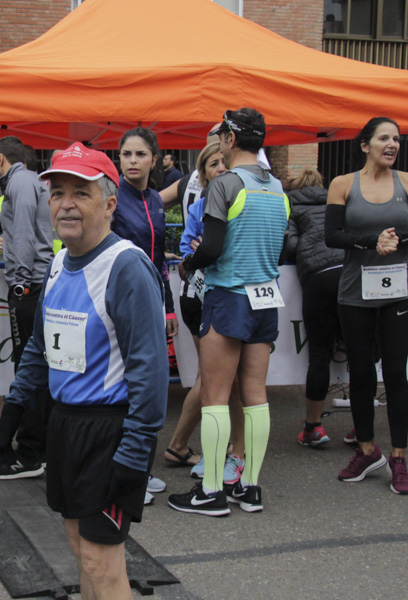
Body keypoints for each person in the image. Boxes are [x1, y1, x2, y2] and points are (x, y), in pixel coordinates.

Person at [0, 142, 167, 598]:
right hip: (64, 424)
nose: (65, 203)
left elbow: (149, 376)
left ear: (109, 204)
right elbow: (39, 346)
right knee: (79, 546)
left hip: (110, 431)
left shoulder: (125, 267)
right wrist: (14, 407)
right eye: (57, 192)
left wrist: (133, 453)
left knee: (100, 558)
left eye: (81, 192)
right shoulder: (58, 262)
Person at [168, 108, 288, 516]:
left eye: (221, 135)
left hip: (229, 294)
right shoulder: (277, 188)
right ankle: (250, 487)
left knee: (216, 396)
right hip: (266, 297)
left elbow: (213, 247)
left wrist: (188, 264)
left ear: (230, 140)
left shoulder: (224, 185)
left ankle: (212, 490)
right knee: (255, 396)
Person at [324, 117, 408, 495]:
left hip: (397, 292)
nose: (392, 144)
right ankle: (367, 450)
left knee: (397, 374)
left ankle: (399, 458)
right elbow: (332, 235)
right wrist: (373, 241)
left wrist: (396, 238)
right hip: (355, 292)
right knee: (360, 373)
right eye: (384, 138)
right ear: (365, 145)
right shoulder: (342, 184)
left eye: (397, 139)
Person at [162, 142, 245, 483]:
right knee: (214, 378)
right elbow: (188, 251)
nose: (222, 168)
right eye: (214, 164)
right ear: (203, 174)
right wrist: (196, 254)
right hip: (198, 298)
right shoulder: (198, 210)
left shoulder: (244, 203)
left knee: (222, 379)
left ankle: (210, 450)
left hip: (229, 296)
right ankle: (211, 451)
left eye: (226, 163)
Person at [0, 135, 53, 480]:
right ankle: (35, 449)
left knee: (29, 370)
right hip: (35, 284)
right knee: (33, 368)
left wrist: (21, 283)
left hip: (31, 286)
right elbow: (5, 224)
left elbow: (21, 235)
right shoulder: (23, 183)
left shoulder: (20, 183)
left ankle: (30, 453)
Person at [284, 167, 342, 447]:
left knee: (319, 354)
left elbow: (292, 245)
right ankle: (361, 429)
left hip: (318, 276)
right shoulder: (338, 199)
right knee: (361, 351)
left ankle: (313, 427)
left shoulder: (291, 203)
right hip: (352, 272)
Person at [113, 127, 178, 339]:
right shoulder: (110, 198)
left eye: (141, 154)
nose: (133, 160)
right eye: (127, 154)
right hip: (117, 298)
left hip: (152, 298)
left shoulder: (156, 199)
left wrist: (168, 307)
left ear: (153, 160)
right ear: (120, 158)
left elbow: (159, 260)